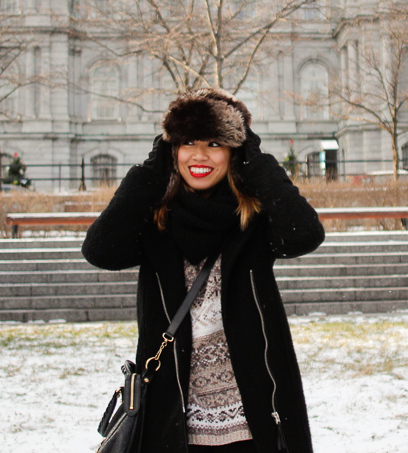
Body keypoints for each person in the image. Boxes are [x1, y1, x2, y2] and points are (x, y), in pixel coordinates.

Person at [82, 88, 324, 453]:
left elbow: (305, 234)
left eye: (214, 143)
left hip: (256, 417)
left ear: (233, 152)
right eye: (187, 142)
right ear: (173, 150)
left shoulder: (254, 219)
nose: (199, 155)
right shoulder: (154, 221)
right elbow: (100, 251)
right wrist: (153, 167)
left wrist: (255, 157)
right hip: (172, 421)